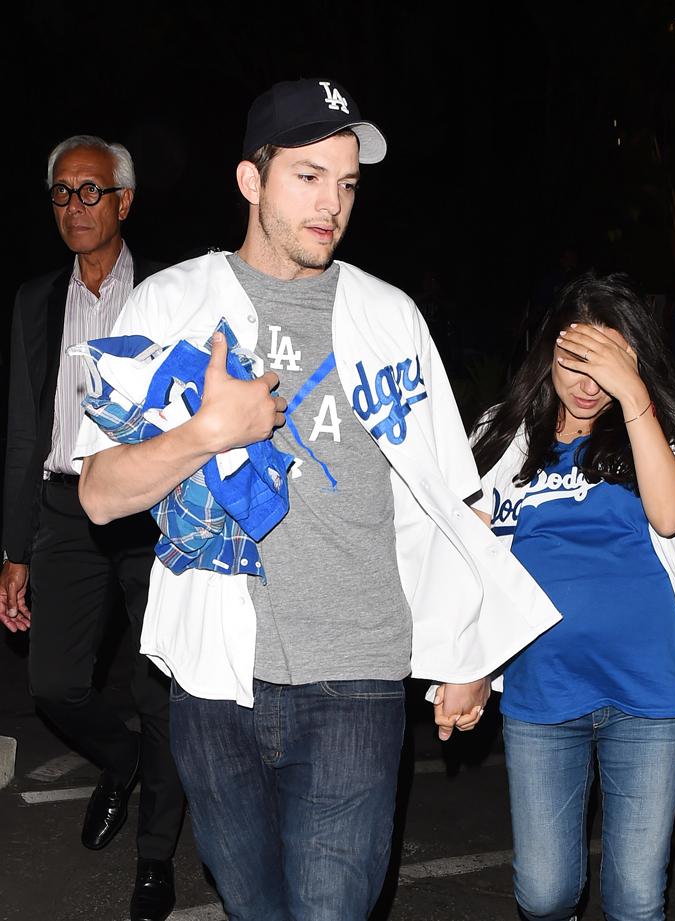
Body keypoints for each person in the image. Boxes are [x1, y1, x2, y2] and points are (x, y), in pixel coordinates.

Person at [74, 79, 560, 921]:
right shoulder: (173, 305)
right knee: (254, 908)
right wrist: (207, 431)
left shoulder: (388, 315)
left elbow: (455, 498)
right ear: (250, 180)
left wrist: (471, 650)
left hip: (357, 675)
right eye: (308, 176)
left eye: (346, 183)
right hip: (212, 675)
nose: (331, 203)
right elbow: (98, 495)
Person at [472, 273, 675, 921]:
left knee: (637, 898)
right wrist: (466, 667)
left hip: (649, 692)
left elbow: (671, 514)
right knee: (544, 892)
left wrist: (635, 392)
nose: (589, 382)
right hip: (542, 692)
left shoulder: (654, 431)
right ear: (548, 353)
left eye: (607, 364)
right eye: (575, 361)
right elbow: (469, 561)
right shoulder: (502, 436)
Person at [0, 135, 184, 921]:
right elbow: (21, 430)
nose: (74, 206)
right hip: (65, 507)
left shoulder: (169, 292)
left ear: (124, 201)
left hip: (150, 509)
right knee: (55, 684)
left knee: (163, 685)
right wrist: (14, 549)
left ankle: (154, 857)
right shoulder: (35, 300)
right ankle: (122, 757)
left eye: (90, 191)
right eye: (62, 193)